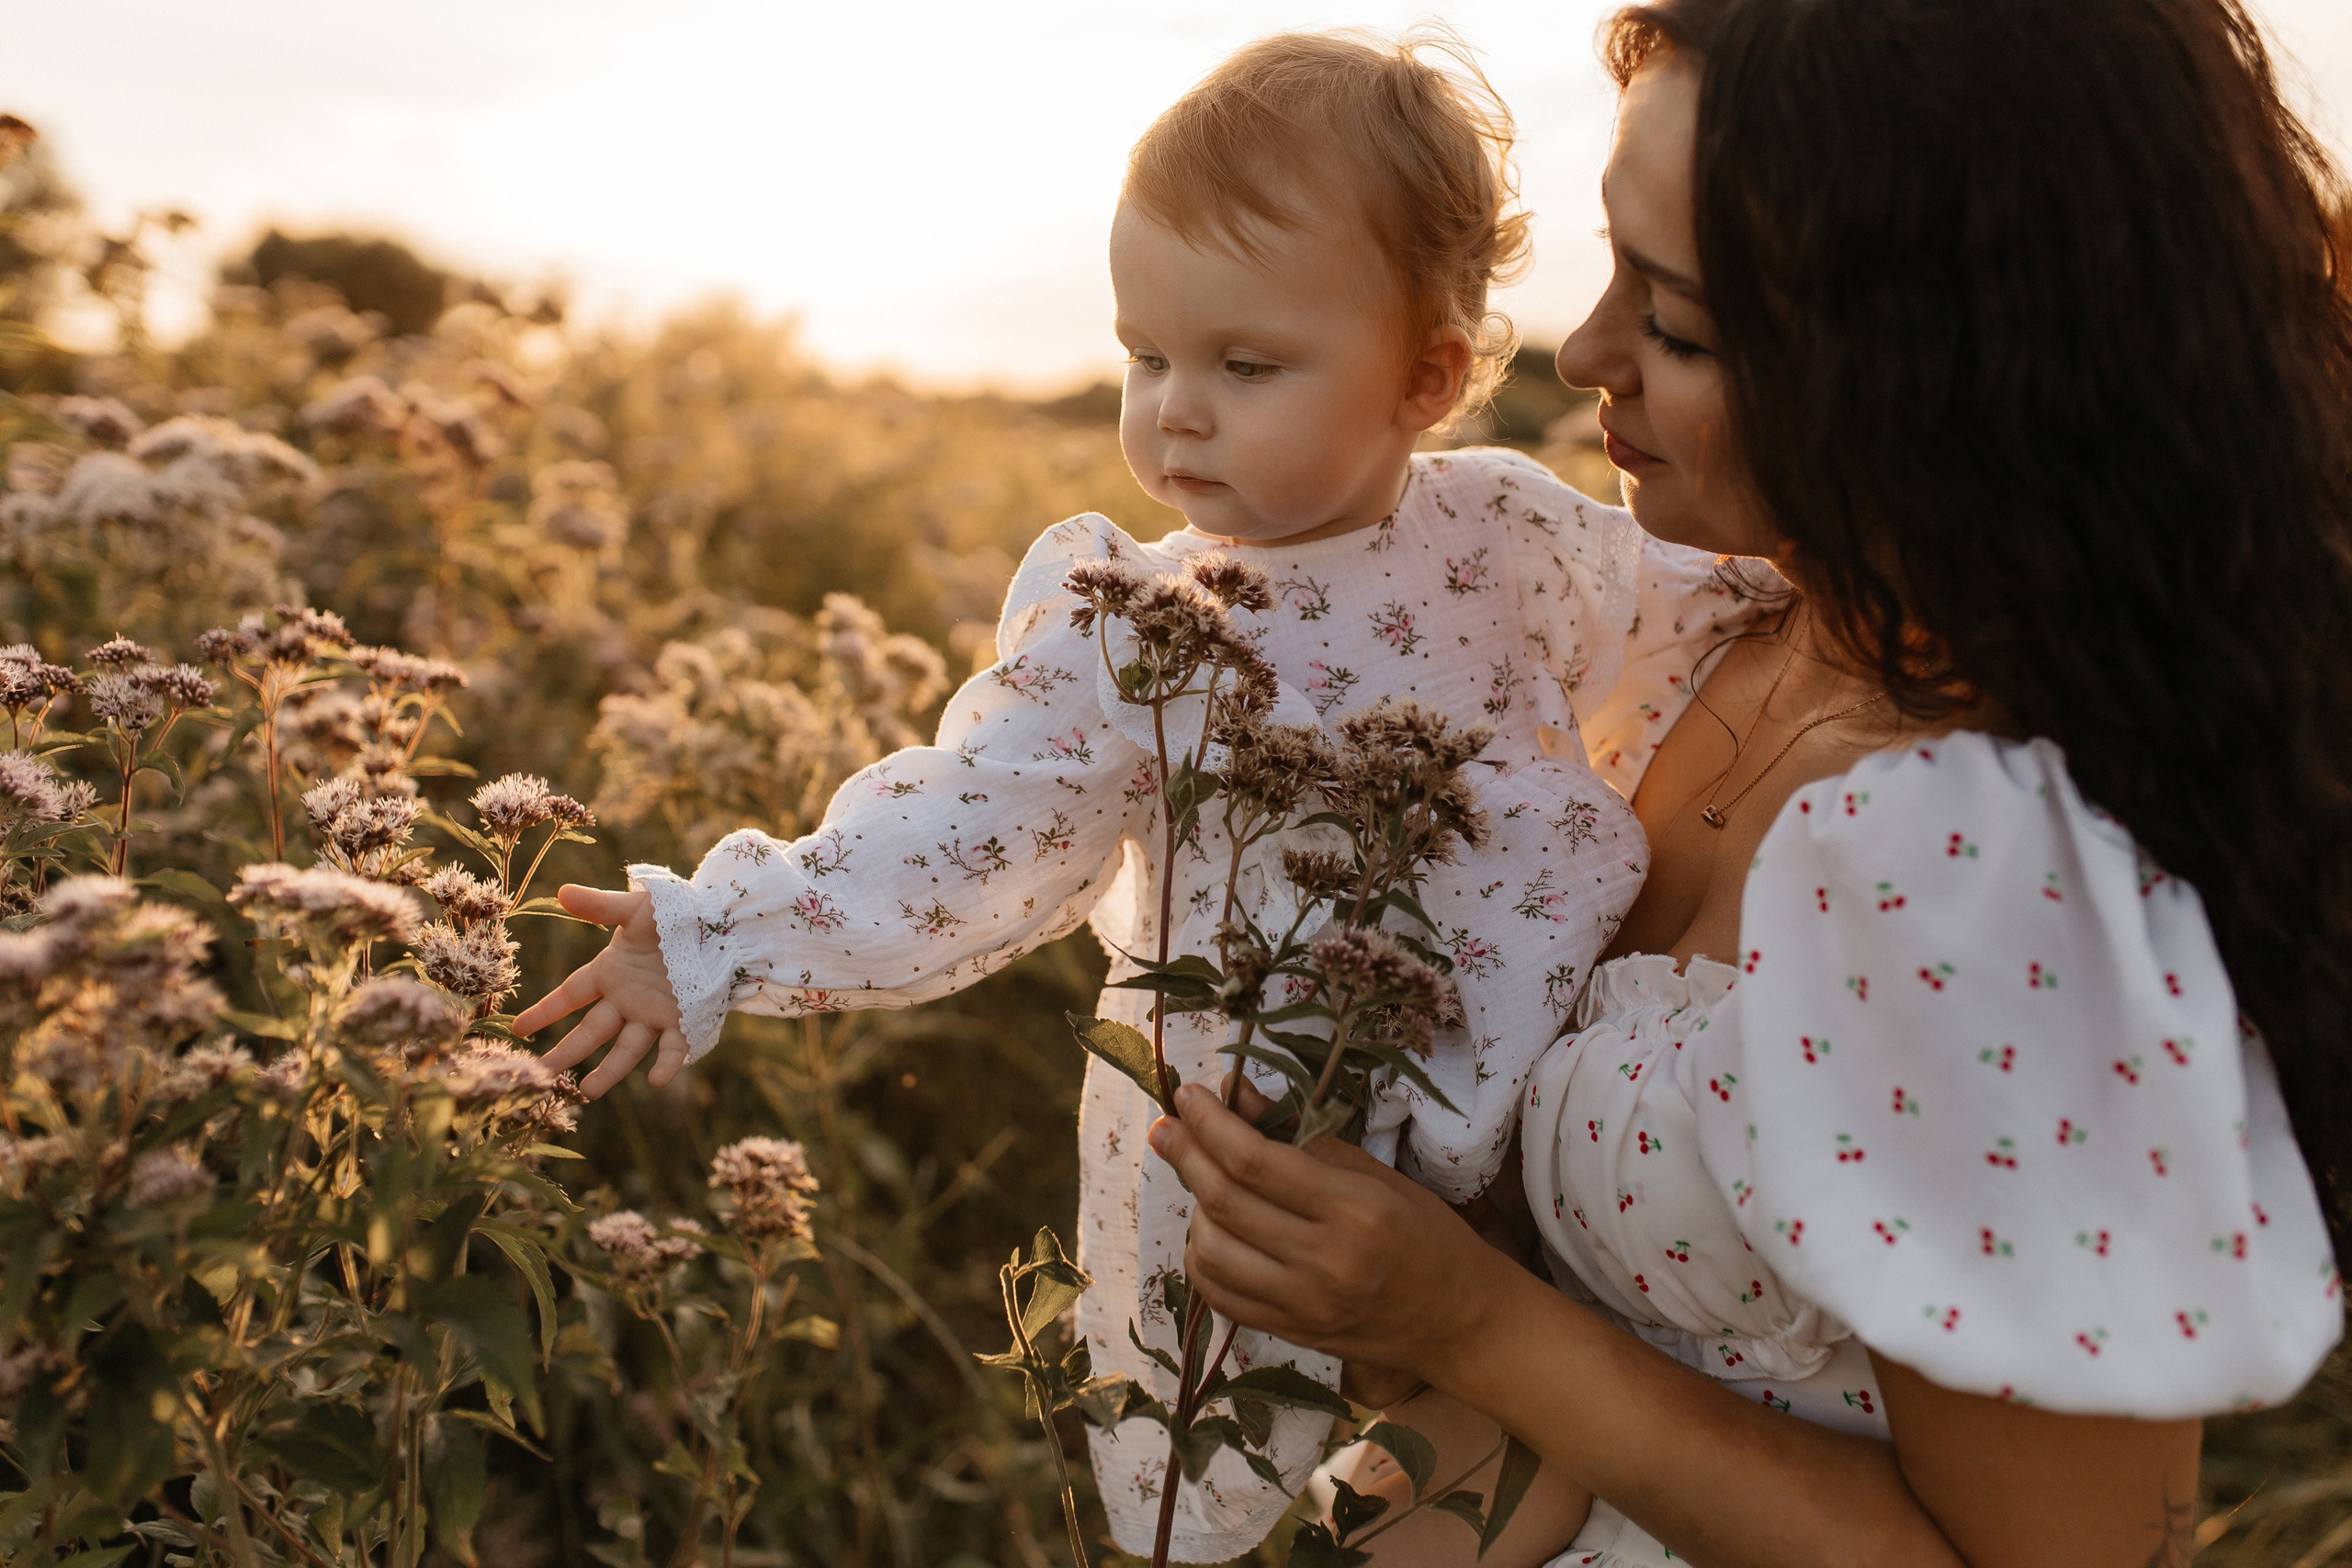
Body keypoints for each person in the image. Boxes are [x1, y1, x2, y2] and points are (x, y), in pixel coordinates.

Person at [514, 29, 1751, 1559]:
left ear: (1427, 375)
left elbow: (1707, 611)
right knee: (1365, 1502)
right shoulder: (1142, 625)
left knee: (1548, 1465)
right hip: (1277, 1150)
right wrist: (718, 929)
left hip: (1530, 1134)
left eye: (1246, 366)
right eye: (1145, 357)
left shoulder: (1507, 534)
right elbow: (968, 823)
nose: (1177, 412)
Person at [1148, 1, 2352, 1563]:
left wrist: (1465, 1318)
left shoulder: (2009, 893)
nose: (1585, 354)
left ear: (1936, 367)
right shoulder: (1694, 638)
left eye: (1679, 324)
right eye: (1614, 270)